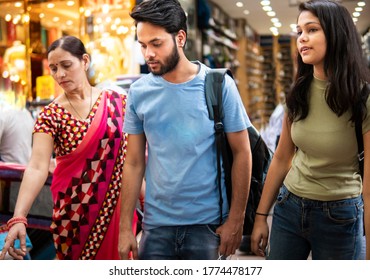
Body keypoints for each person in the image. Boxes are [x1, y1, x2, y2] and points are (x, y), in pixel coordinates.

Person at [118, 0, 252, 260]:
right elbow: (133, 162)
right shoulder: (138, 92)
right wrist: (126, 227)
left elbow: (242, 153)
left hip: (208, 226)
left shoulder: (219, 85)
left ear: (180, 38)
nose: (149, 54)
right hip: (155, 227)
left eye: (156, 44)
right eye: (143, 45)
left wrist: (236, 220)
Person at [251, 0, 370, 260]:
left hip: (341, 215)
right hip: (289, 208)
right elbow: (282, 158)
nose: (302, 38)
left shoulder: (363, 98)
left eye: (312, 30)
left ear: (336, 34)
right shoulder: (299, 93)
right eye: (299, 31)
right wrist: (261, 216)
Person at [0, 35, 132, 260]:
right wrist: (19, 217)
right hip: (74, 217)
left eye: (66, 65)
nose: (59, 74)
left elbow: (129, 160)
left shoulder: (119, 101)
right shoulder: (50, 114)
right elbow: (37, 166)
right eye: (53, 68)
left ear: (85, 61)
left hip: (119, 213)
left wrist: (147, 202)